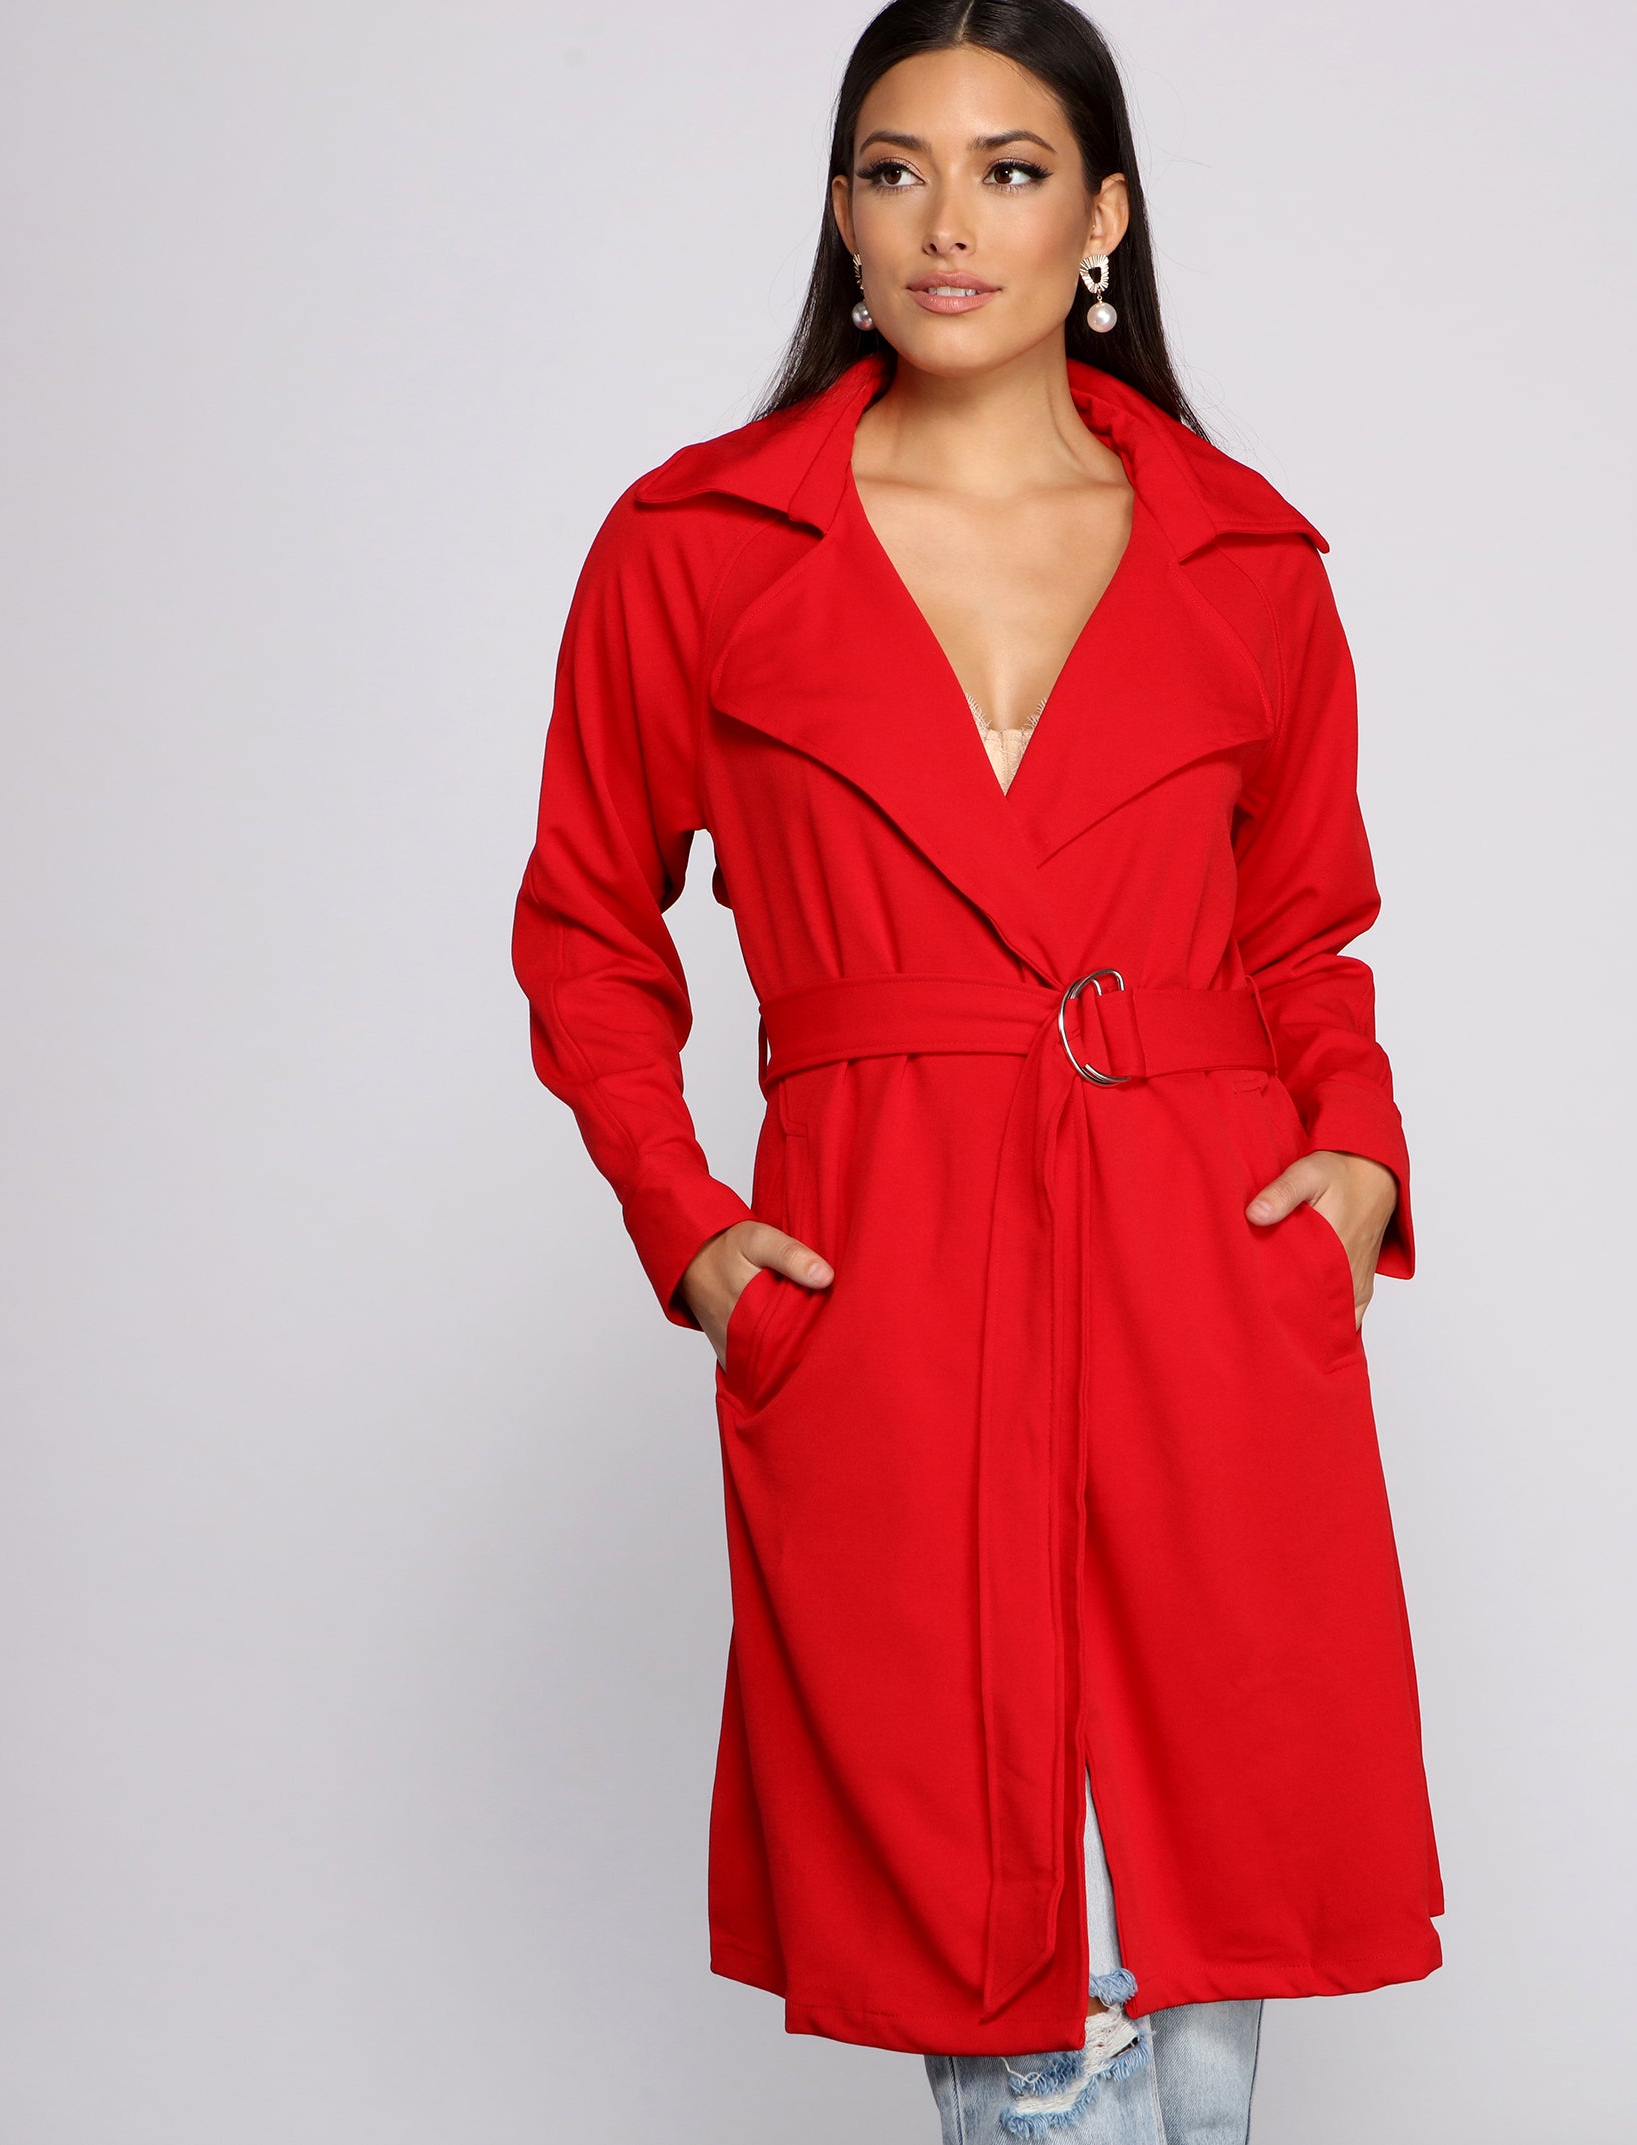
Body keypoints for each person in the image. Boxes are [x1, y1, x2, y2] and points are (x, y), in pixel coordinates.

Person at [510, 2, 1442, 2135]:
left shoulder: (1245, 557)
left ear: (1101, 217)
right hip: (899, 1268)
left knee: (1197, 1957)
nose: (948, 221)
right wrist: (691, 1230)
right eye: (894, 168)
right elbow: (585, 922)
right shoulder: (699, 546)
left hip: (1203, 1255)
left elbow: (1306, 930)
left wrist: (1358, 1167)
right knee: (1008, 1944)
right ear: (841, 217)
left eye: (1009, 171)